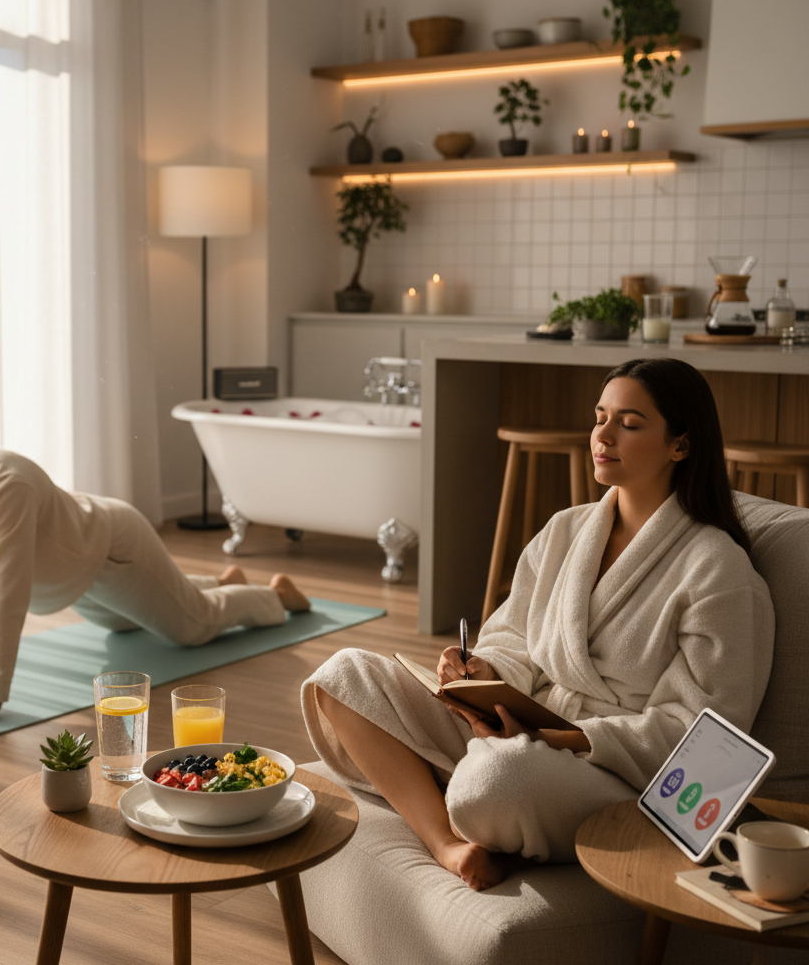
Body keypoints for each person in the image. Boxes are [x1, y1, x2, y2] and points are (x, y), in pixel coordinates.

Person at [303, 358, 774, 890]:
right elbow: (512, 636)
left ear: (680, 445)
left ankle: (481, 805)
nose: (603, 434)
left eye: (630, 423)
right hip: (514, 727)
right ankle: (449, 844)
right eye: (600, 417)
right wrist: (481, 671)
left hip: (608, 770)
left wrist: (558, 739)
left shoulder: (719, 570)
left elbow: (707, 737)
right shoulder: (565, 531)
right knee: (344, 677)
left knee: (496, 782)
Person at [0, 418, 310, 731]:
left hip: (110, 552)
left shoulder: (3, 484)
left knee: (193, 628)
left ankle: (272, 596)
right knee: (127, 625)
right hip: (72, 579)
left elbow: (9, 592)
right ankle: (214, 583)